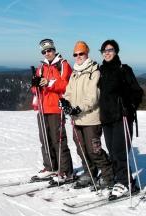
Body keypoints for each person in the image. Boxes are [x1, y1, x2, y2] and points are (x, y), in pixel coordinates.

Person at [60, 41, 113, 189]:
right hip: (77, 119)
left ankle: (109, 175)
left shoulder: (94, 71)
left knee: (94, 150)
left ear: (87, 53)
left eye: (81, 53)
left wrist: (78, 108)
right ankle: (90, 173)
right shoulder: (75, 73)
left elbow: (93, 97)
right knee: (81, 150)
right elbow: (69, 92)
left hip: (91, 119)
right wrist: (66, 103)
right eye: (75, 54)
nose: (78, 56)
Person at [98, 40, 143, 199]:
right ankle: (123, 180)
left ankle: (125, 183)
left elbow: (137, 92)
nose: (107, 52)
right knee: (112, 151)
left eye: (110, 50)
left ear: (116, 51)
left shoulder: (124, 69)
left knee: (120, 150)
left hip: (121, 116)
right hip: (106, 117)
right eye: (104, 50)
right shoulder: (101, 70)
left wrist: (129, 106)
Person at [31, 38, 73, 182]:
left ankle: (65, 171)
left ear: (54, 50)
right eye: (44, 51)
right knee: (45, 140)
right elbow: (34, 89)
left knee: (58, 141)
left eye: (49, 50)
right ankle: (50, 167)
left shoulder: (63, 65)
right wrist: (35, 84)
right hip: (42, 108)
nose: (47, 53)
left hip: (56, 108)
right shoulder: (41, 68)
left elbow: (66, 85)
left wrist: (48, 83)